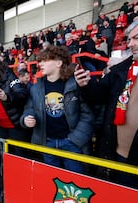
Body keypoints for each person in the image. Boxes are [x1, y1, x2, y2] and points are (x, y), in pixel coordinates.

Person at [74, 12, 138, 193]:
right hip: (115, 158)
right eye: (129, 39)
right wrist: (86, 85)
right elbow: (99, 96)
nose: (130, 43)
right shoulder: (125, 67)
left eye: (137, 37)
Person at [20, 46, 94, 174]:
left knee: (75, 183)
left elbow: (87, 115)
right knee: (52, 181)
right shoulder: (35, 88)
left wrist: (76, 139)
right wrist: (26, 118)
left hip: (71, 143)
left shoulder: (75, 84)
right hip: (47, 142)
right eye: (39, 61)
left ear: (59, 63)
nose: (40, 64)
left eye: (45, 60)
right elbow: (29, 109)